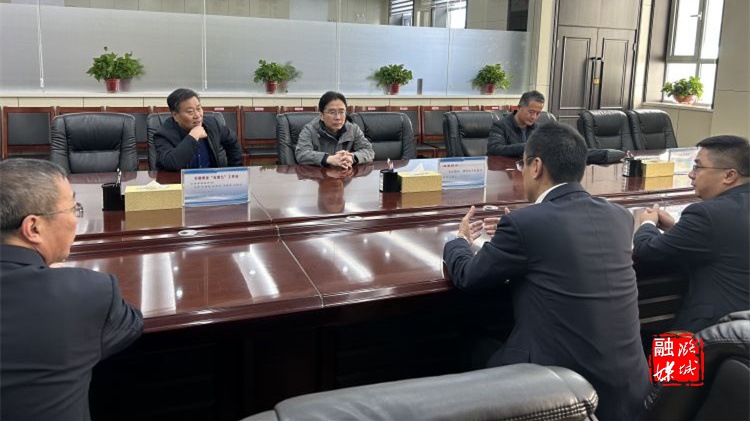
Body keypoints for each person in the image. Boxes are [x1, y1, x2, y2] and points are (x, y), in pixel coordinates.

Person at [443, 124, 650, 421]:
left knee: (469, 345)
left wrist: (459, 240)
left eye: (522, 165)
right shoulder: (619, 215)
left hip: (562, 393)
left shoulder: (526, 224)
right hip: (630, 392)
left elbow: (467, 275)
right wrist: (524, 230)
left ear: (536, 166)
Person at [0, 159, 144, 421]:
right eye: (73, 209)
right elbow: (131, 325)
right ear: (33, 228)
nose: (76, 218)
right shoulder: (84, 293)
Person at [634, 135, 749, 332]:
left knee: (663, 350)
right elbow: (725, 240)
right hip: (742, 331)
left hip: (712, 335)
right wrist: (675, 229)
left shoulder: (707, 214)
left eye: (698, 167)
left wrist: (647, 223)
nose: (690, 174)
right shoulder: (722, 214)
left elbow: (647, 252)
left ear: (729, 176)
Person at [154, 88, 244, 171]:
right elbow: (171, 163)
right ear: (175, 115)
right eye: (190, 111)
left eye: (198, 108)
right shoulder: (163, 134)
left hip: (210, 179)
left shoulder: (212, 124)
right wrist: (193, 136)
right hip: (179, 181)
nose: (197, 115)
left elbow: (232, 143)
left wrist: (234, 171)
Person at [295, 91, 374, 168]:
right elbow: (301, 154)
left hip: (346, 174)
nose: (338, 117)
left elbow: (368, 150)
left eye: (341, 112)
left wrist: (352, 157)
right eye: (332, 112)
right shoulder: (309, 130)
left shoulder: (353, 129)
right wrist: (328, 159)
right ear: (322, 116)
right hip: (319, 175)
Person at [487, 90, 545, 157]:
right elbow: (494, 149)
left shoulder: (538, 129)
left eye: (538, 113)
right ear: (519, 107)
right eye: (531, 112)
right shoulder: (500, 126)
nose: (534, 117)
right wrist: (527, 147)